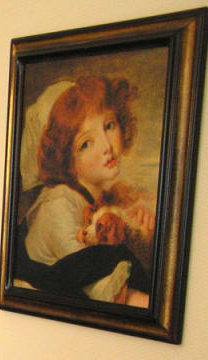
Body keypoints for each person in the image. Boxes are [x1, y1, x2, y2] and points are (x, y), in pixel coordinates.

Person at [16, 76, 155, 307]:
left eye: (109, 126)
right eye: (86, 144)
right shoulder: (57, 205)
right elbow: (108, 292)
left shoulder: (104, 198)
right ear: (66, 157)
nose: (107, 146)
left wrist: (144, 235)